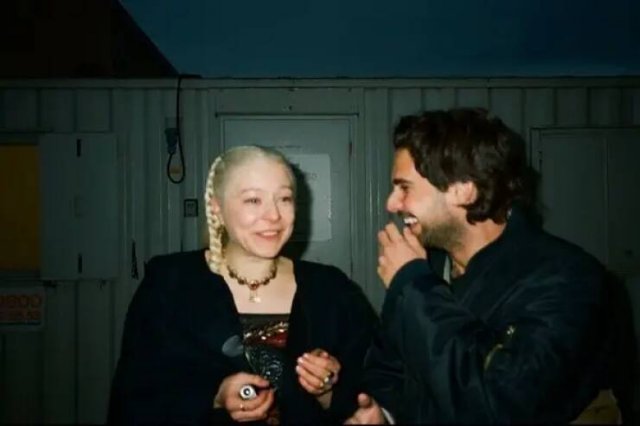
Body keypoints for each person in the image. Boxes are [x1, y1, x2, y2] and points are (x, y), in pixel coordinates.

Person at [346, 108, 615, 424]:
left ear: (464, 189)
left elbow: (499, 403)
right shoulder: (426, 265)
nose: (391, 204)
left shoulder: (566, 277)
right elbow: (387, 369)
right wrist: (385, 414)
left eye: (405, 188)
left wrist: (414, 286)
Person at [108, 145, 377, 424]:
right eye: (253, 200)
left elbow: (377, 390)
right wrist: (214, 397)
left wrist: (328, 390)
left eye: (284, 198)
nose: (274, 215)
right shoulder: (170, 284)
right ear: (217, 208)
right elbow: (134, 398)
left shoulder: (332, 290)